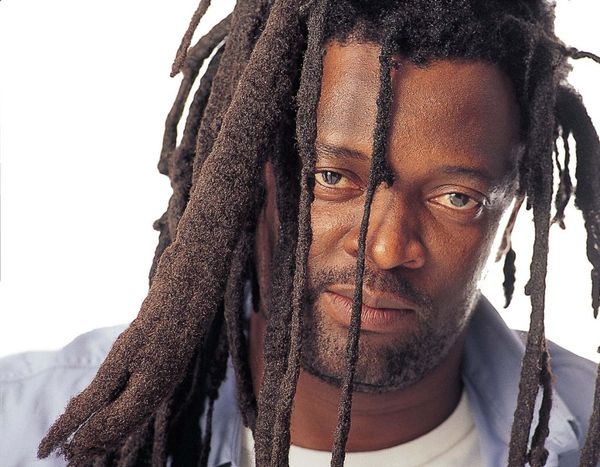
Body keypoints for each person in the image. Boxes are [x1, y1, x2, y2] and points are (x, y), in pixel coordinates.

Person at [2, 0, 600, 466]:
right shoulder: (21, 430)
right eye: (332, 177)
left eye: (456, 198)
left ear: (509, 219)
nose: (387, 248)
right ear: (251, 176)